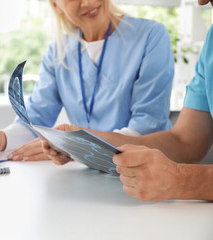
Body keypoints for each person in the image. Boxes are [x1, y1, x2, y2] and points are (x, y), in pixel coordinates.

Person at [43, 0, 213, 202]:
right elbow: (185, 142)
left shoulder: (149, 34)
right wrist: (88, 141)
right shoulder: (211, 41)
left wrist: (183, 180)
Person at [0, 0, 174, 161]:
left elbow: (147, 126)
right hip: (87, 175)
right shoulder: (58, 52)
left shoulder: (150, 36)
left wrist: (74, 147)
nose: (87, 2)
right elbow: (36, 118)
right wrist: (3, 139)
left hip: (144, 172)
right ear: (55, 4)